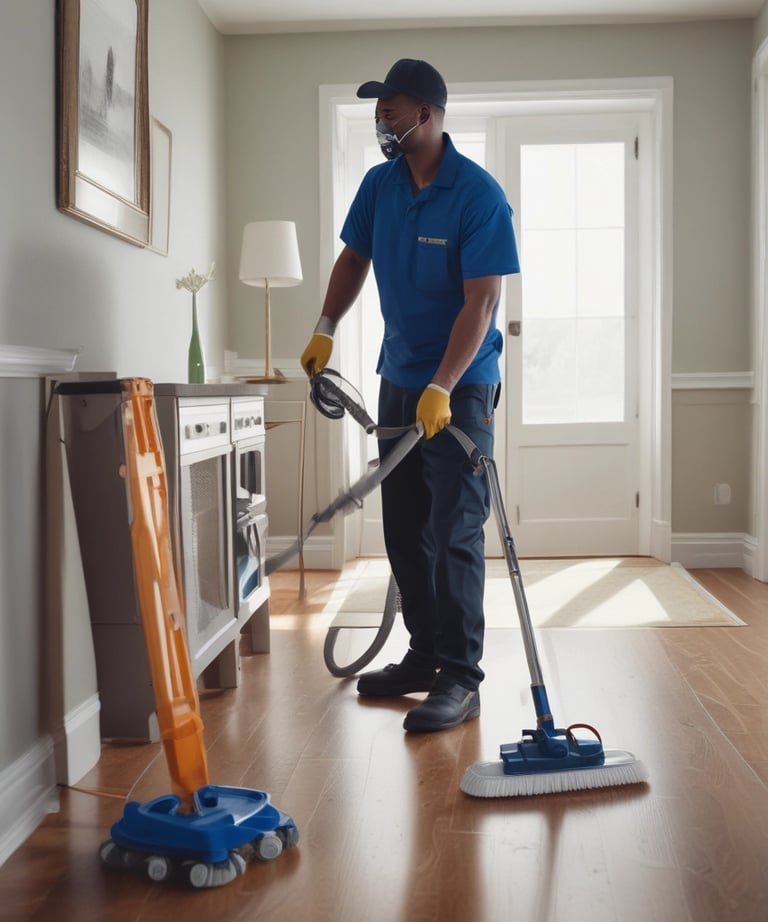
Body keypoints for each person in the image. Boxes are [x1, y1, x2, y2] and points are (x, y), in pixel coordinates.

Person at [301, 58, 520, 733]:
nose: (381, 120)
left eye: (390, 109)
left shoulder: (478, 195)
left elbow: (482, 303)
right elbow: (352, 259)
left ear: (426, 112)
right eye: (377, 110)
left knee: (454, 528)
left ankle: (461, 677)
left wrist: (444, 386)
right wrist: (324, 329)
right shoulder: (380, 186)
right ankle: (423, 655)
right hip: (398, 378)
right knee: (403, 526)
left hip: (463, 384)